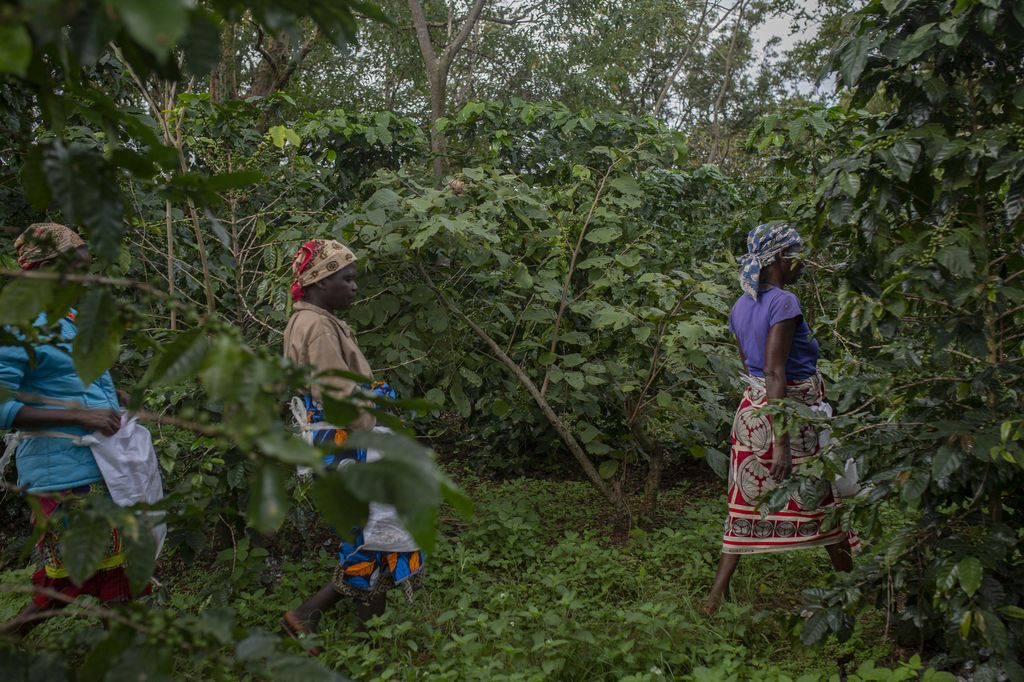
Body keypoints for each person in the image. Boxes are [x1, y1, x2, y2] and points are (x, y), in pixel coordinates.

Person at [280, 239, 423, 656]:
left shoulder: (310, 318)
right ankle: (307, 615)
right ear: (320, 282)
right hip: (346, 445)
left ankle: (369, 635)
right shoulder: (319, 326)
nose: (354, 287)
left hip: (332, 444)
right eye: (347, 278)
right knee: (368, 539)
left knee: (369, 536)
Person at [0, 223, 141, 635]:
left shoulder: (71, 317)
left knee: (109, 569)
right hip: (60, 474)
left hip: (96, 465)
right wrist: (81, 415)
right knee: (70, 579)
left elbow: (65, 378)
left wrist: (112, 394)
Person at [706, 223, 854, 613]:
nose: (802, 262)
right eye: (797, 255)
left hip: (751, 416)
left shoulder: (740, 305)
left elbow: (751, 369)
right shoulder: (784, 302)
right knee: (825, 503)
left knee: (743, 505)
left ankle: (715, 597)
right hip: (787, 418)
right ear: (780, 259)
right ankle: (853, 592)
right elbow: (776, 374)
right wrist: (782, 442)